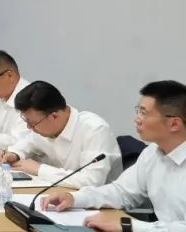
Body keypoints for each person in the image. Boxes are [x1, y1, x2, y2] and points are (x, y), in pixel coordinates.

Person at [43, 80, 186, 232]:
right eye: (138, 111)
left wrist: (128, 226)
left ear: (174, 124)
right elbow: (121, 192)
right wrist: (75, 198)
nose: (137, 119)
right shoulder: (153, 153)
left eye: (144, 113)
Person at [0, 80, 121, 188]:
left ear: (54, 116)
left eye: (33, 123)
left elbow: (91, 181)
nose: (29, 127)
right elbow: (27, 143)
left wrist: (39, 169)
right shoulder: (44, 127)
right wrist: (14, 154)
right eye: (26, 121)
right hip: (61, 194)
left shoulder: (95, 129)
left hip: (100, 204)